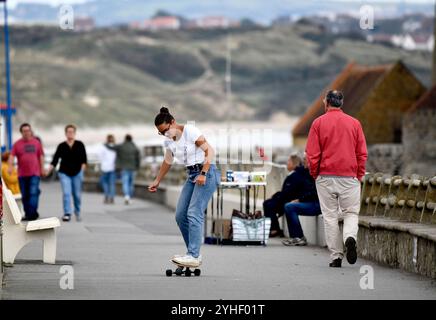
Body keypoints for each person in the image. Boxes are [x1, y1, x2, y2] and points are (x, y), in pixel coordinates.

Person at [148, 107, 220, 268]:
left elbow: (210, 151)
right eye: (161, 133)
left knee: (194, 212)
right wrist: (157, 180)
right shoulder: (169, 140)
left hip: (206, 173)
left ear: (173, 122)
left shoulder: (190, 131)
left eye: (166, 130)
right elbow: (168, 160)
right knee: (180, 215)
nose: (166, 135)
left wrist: (203, 173)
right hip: (192, 175)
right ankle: (192, 253)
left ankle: (193, 255)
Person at [306, 90, 367, 268]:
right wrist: (359, 174)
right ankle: (350, 236)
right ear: (341, 103)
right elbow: (361, 153)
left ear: (326, 103)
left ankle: (336, 256)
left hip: (325, 176)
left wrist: (315, 174)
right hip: (349, 176)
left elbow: (312, 154)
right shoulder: (355, 123)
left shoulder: (318, 123)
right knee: (351, 212)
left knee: (330, 216)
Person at [47, 124, 87, 222]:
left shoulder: (80, 144)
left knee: (77, 195)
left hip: (77, 173)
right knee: (66, 193)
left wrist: (82, 171)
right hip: (64, 173)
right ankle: (67, 213)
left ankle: (77, 211)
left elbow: (84, 160)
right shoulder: (61, 146)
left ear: (75, 133)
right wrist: (48, 170)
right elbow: (55, 160)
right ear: (65, 133)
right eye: (68, 132)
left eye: (72, 132)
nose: (70, 133)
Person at [8, 123, 46, 221]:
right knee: (25, 195)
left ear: (30, 131)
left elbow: (41, 156)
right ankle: (30, 213)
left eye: (28, 130)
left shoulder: (36, 143)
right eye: (24, 131)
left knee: (33, 193)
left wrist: (42, 168)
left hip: (35, 173)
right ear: (21, 132)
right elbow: (12, 156)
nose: (26, 133)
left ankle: (31, 214)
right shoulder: (17, 144)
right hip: (22, 174)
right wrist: (10, 166)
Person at [281, 156, 321, 246]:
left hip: (318, 204)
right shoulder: (307, 172)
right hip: (311, 202)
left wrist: (300, 200)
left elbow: (315, 193)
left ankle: (299, 237)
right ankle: (295, 237)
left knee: (290, 207)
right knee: (289, 205)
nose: (303, 162)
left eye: (305, 159)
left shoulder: (316, 175)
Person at [263, 154, 303, 237]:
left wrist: (276, 197)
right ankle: (274, 228)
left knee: (269, 204)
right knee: (268, 203)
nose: (287, 163)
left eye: (289, 161)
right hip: (286, 198)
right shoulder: (293, 175)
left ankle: (274, 229)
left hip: (288, 200)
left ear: (294, 164)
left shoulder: (295, 176)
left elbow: (288, 193)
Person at [107, 134, 140, 205]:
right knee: (131, 183)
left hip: (124, 168)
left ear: (125, 139)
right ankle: (130, 197)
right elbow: (138, 158)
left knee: (125, 183)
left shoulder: (121, 146)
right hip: (133, 168)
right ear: (131, 139)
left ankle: (126, 196)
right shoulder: (134, 147)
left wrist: (106, 144)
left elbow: (112, 148)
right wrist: (137, 167)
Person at [99, 134, 117, 204]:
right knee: (112, 184)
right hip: (112, 168)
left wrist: (103, 162)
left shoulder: (103, 147)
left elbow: (100, 156)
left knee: (105, 183)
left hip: (105, 167)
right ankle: (112, 197)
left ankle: (106, 196)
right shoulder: (116, 147)